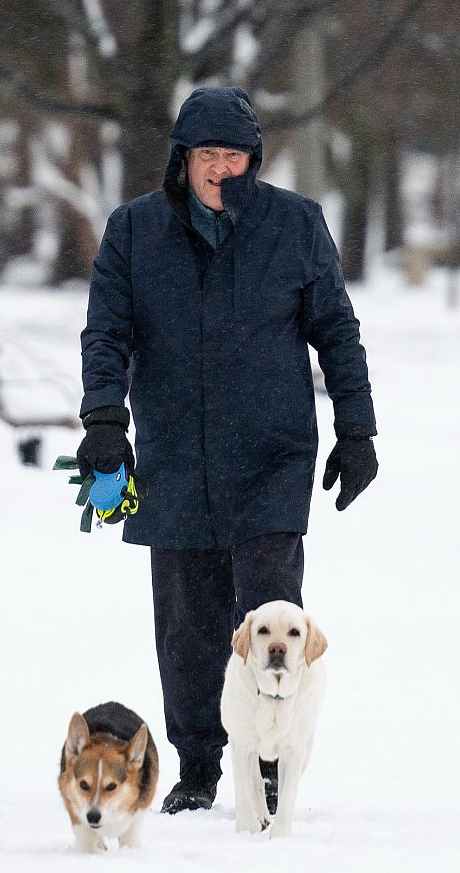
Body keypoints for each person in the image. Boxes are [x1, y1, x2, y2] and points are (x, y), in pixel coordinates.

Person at [77, 86, 378, 813]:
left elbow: (336, 329)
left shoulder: (295, 226)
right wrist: (103, 421)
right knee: (187, 619)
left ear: (254, 161)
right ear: (182, 160)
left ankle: (274, 758)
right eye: (206, 154)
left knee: (271, 613)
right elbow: (106, 333)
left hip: (271, 453)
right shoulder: (134, 231)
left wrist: (357, 427)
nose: (220, 169)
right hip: (176, 449)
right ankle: (201, 762)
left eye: (233, 155)